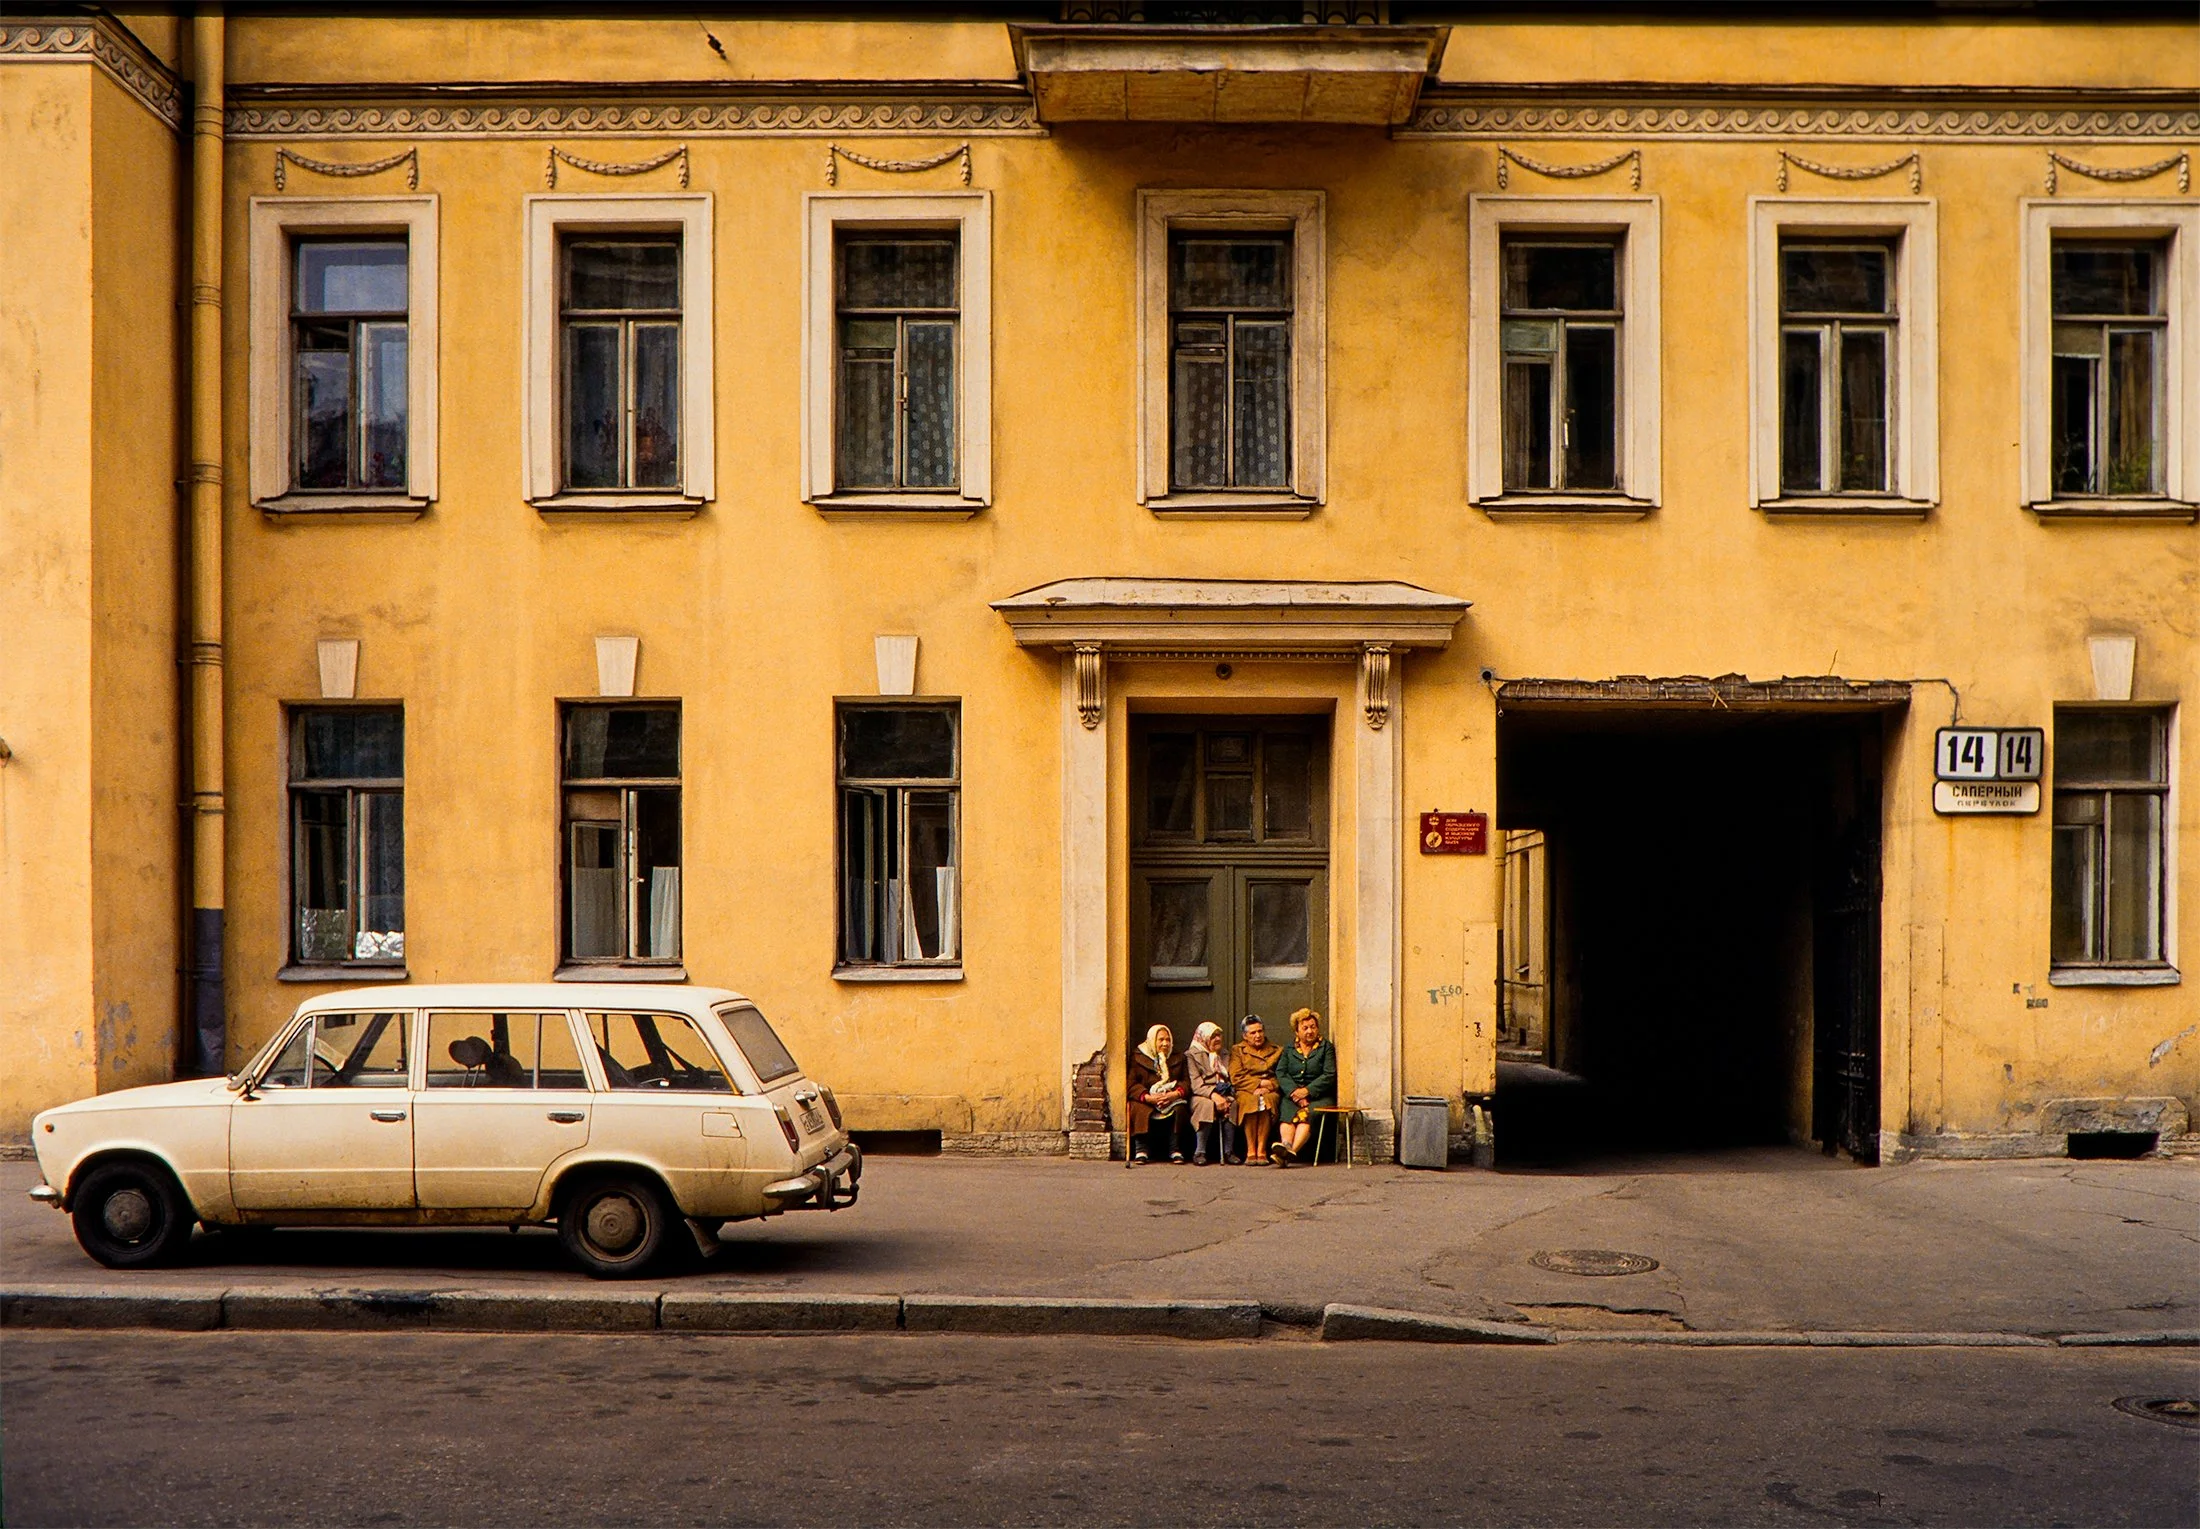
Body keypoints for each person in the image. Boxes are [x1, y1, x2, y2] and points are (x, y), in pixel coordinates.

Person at [1272, 1007, 1336, 1167]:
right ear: (1297, 1031)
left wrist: (1307, 1091)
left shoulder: (1326, 1047)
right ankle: (1286, 1145)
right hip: (1293, 1096)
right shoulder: (1289, 1048)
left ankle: (1290, 1151)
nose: (1309, 1031)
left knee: (1307, 1115)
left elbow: (1329, 1074)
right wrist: (1294, 1092)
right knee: (1287, 1114)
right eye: (1305, 1028)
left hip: (1319, 1096)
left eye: (1313, 1027)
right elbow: (1281, 1072)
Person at [1125, 1023, 1189, 1165]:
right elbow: (1131, 1084)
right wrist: (1148, 1097)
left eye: (1168, 1040)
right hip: (1146, 1098)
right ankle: (1141, 1150)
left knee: (1179, 1109)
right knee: (1139, 1108)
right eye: (1161, 1040)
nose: (1165, 1043)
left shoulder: (1178, 1057)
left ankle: (1175, 1150)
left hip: (1170, 1097)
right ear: (1152, 1040)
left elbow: (1185, 1082)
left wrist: (1174, 1095)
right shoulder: (1138, 1057)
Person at [1228, 1016, 1283, 1165]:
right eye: (1252, 1033)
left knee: (1267, 1101)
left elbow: (1282, 1074)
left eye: (1260, 1031)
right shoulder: (1238, 1050)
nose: (1257, 1035)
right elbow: (1236, 1076)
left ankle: (1262, 1149)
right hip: (1246, 1089)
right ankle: (1251, 1149)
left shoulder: (1276, 1050)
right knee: (1250, 1102)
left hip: (1269, 1090)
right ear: (1245, 1036)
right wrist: (1258, 1084)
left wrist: (1271, 1085)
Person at [1184, 1021, 1236, 1165]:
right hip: (1202, 1094)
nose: (1217, 1039)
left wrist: (1226, 1094)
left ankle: (1229, 1151)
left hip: (1224, 1091)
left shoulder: (1225, 1054)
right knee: (1205, 1105)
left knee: (1233, 1103)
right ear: (1203, 1038)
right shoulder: (1192, 1055)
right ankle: (1200, 1151)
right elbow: (1196, 1084)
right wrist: (1214, 1095)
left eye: (1219, 1035)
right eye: (1213, 1037)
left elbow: (1232, 1077)